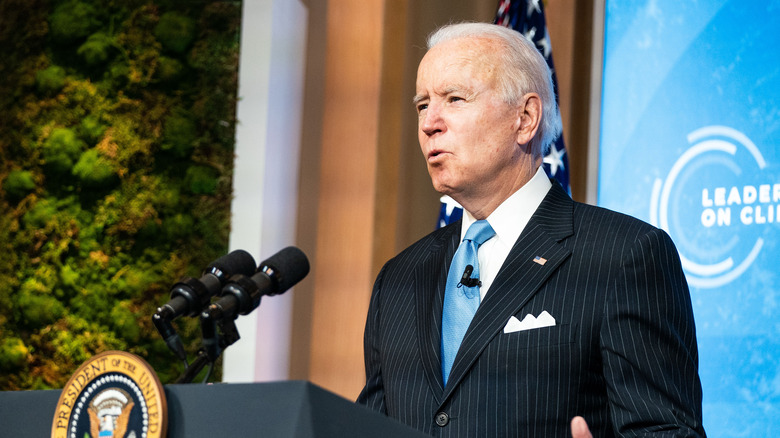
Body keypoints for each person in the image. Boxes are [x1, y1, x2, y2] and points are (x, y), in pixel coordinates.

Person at [356, 22, 706, 437]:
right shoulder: (398, 279)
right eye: (422, 105)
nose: (430, 122)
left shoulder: (623, 256)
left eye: (454, 99)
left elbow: (667, 430)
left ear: (524, 118)